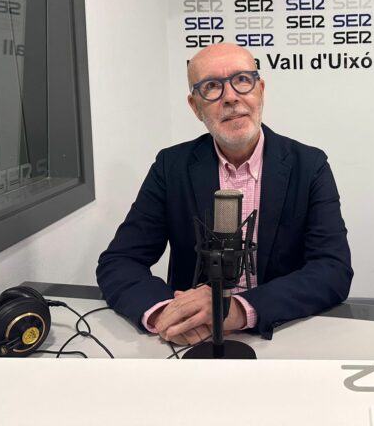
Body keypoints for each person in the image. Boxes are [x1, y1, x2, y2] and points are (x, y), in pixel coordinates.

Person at [96, 43, 353, 344]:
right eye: (212, 87)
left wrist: (239, 310)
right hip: (192, 340)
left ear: (260, 91)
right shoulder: (171, 167)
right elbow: (119, 261)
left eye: (242, 80)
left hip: (280, 334)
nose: (230, 97)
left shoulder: (309, 166)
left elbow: (332, 270)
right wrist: (167, 314)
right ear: (195, 107)